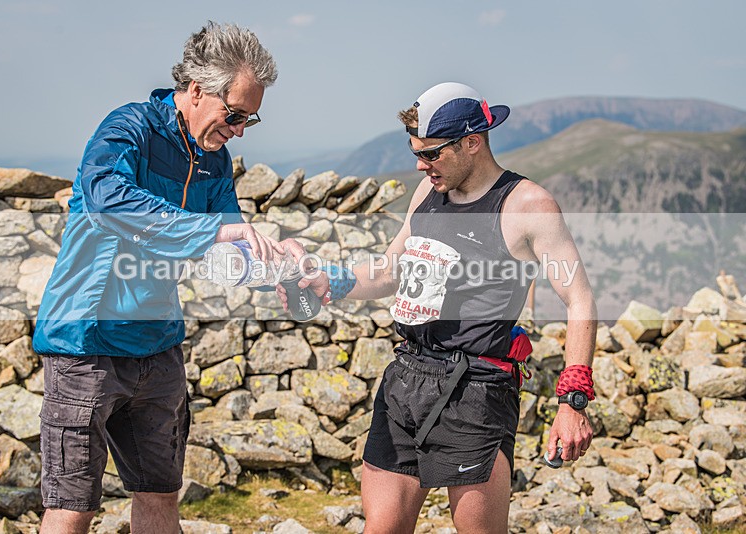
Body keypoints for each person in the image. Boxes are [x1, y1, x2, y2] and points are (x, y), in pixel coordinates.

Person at [284, 82, 597, 533]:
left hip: (477, 389)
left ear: (473, 142)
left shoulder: (528, 206)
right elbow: (391, 271)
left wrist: (572, 401)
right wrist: (327, 280)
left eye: (431, 153)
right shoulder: (428, 194)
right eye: (416, 152)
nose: (420, 164)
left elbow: (580, 298)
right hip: (406, 378)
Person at [32, 22, 280, 534]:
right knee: (73, 507)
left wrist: (279, 259)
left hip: (158, 345)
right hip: (86, 342)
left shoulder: (216, 161)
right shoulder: (127, 129)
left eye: (248, 121)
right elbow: (107, 201)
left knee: (161, 499)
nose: (236, 130)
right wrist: (211, 232)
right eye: (233, 115)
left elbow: (229, 244)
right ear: (195, 90)